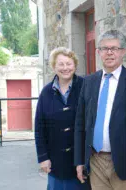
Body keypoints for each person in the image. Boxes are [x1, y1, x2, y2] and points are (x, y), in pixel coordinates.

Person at [74, 30, 126, 190]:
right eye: (104, 48)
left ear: (123, 51)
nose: (109, 53)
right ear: (98, 52)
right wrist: (80, 161)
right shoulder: (88, 82)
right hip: (96, 162)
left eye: (114, 48)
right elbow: (80, 123)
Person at [35, 47, 90, 190]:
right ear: (54, 67)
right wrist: (43, 157)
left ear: (75, 65)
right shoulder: (46, 92)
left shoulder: (86, 87)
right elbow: (39, 127)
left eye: (69, 64)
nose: (65, 68)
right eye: (61, 64)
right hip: (55, 162)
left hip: (80, 161)